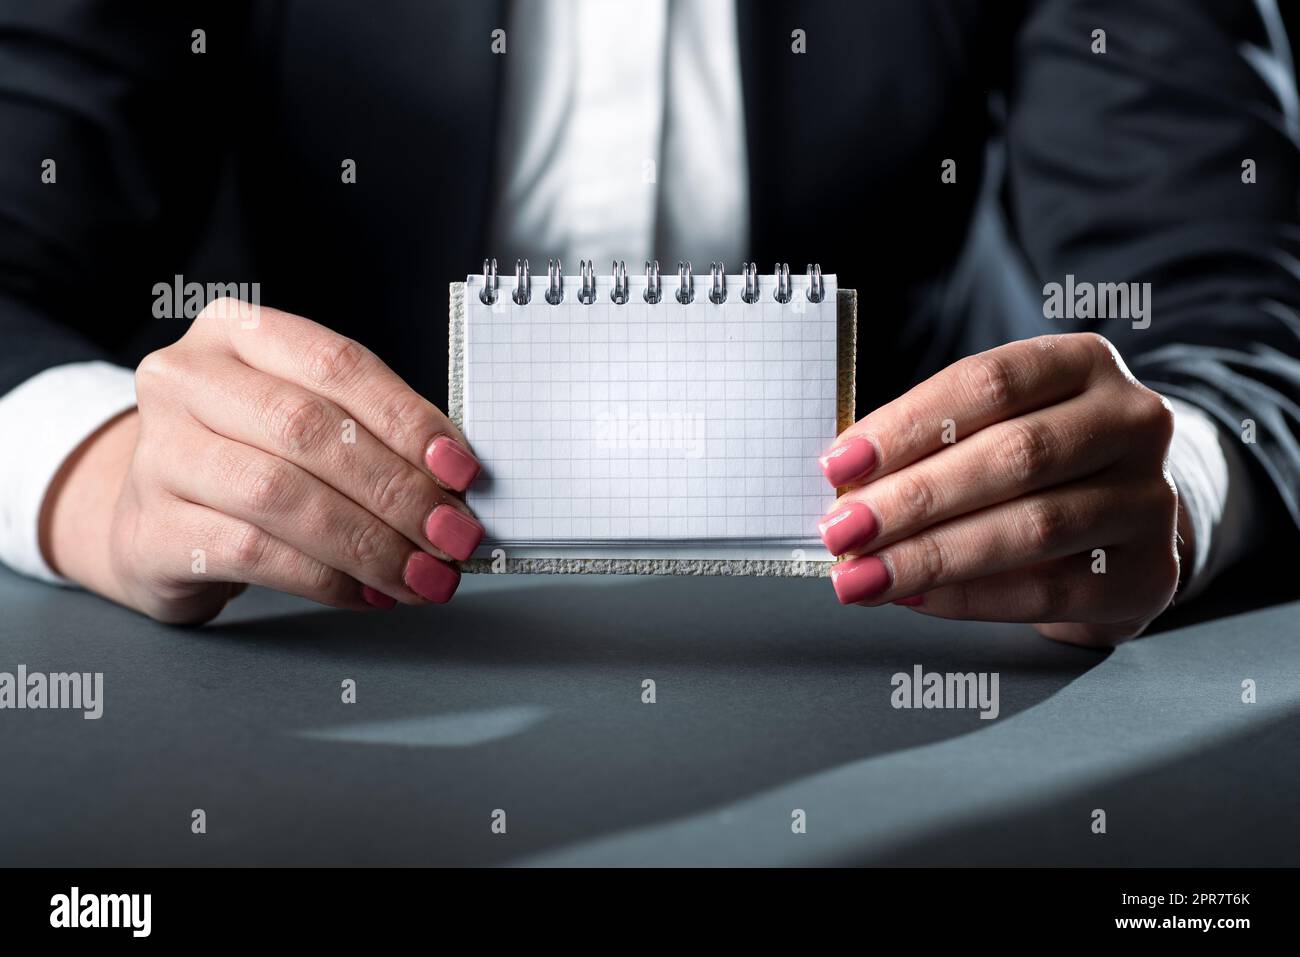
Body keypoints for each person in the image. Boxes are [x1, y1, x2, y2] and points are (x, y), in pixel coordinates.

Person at [1, 0, 1297, 645]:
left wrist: (1171, 474)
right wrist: (98, 473)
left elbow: (1233, 289)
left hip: (908, 621)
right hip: (352, 620)